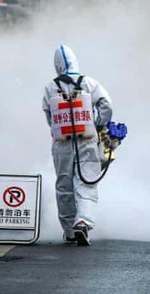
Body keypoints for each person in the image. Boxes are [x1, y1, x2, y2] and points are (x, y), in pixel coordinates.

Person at [42, 45, 113, 246]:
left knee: (64, 184)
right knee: (87, 181)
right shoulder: (89, 83)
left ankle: (69, 231)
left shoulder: (50, 87)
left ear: (57, 66)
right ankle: (83, 221)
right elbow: (106, 104)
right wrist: (99, 123)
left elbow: (49, 115)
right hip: (86, 140)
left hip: (62, 143)